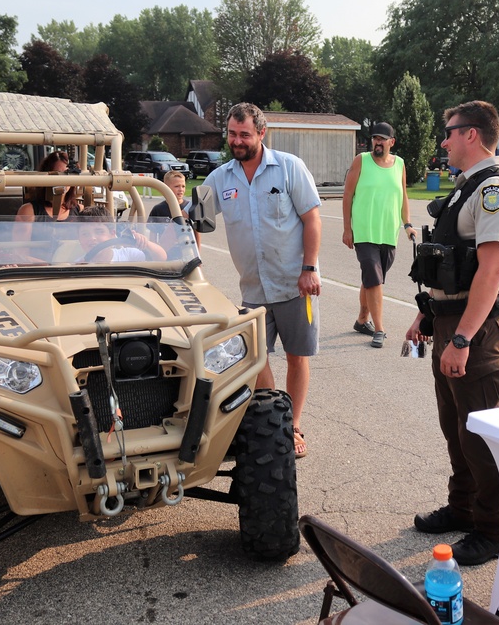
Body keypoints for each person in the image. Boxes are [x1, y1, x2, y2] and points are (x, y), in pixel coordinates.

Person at [406, 100, 499, 566]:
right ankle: (462, 508)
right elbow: (449, 264)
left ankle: (493, 530)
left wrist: (462, 339)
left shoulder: (494, 190)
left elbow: (492, 271)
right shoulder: (467, 189)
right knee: (455, 427)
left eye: (450, 131)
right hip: (451, 319)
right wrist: (428, 316)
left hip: (475, 329)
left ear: (472, 134)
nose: (444, 140)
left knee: (478, 432)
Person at [198, 103, 321, 459]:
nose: (236, 141)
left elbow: (312, 220)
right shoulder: (220, 178)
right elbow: (193, 220)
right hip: (253, 289)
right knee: (257, 358)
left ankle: (293, 423)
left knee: (297, 357)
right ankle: (278, 421)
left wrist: (309, 268)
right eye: (232, 134)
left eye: (244, 135)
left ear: (261, 133)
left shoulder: (288, 168)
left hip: (296, 284)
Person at [342, 122, 416, 348]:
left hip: (388, 233)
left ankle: (362, 320)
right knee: (374, 279)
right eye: (375, 138)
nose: (378, 142)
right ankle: (380, 329)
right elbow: (347, 194)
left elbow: (402, 195)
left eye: (382, 139)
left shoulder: (400, 164)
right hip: (364, 233)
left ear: (391, 142)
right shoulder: (361, 161)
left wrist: (407, 224)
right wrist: (347, 228)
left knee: (372, 279)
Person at [13, 151, 83, 260]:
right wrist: (50, 267)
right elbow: (20, 254)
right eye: (57, 174)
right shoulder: (29, 211)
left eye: (67, 174)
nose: (62, 180)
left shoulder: (80, 210)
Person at [76, 205, 166, 262]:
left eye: (99, 232)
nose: (93, 238)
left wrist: (145, 243)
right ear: (79, 239)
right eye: (85, 234)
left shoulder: (128, 255)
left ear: (112, 234)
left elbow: (161, 258)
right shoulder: (79, 264)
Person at [149, 170, 201, 248]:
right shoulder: (158, 209)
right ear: (166, 188)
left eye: (183, 186)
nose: (181, 189)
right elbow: (152, 236)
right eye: (177, 186)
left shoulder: (190, 207)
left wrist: (198, 255)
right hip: (166, 252)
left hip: (187, 251)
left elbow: (196, 234)